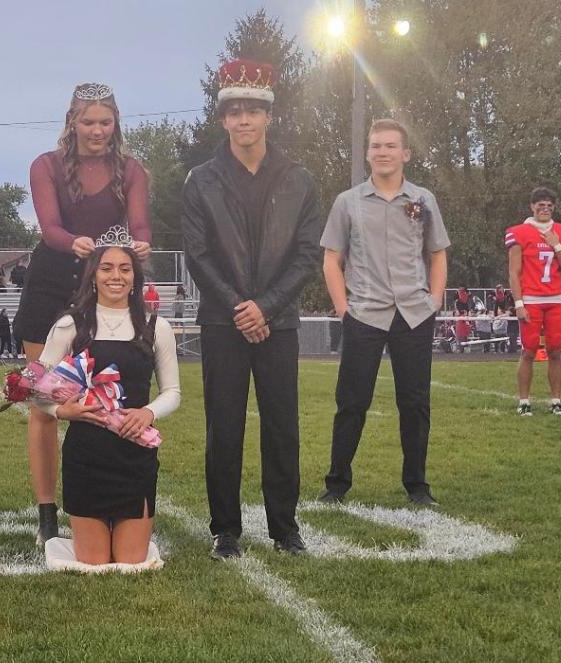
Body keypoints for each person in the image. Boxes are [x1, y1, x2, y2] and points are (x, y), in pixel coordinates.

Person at [182, 59, 323, 559]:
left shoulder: (300, 179)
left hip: (278, 321)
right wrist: (240, 307)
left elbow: (307, 254)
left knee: (282, 423)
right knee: (224, 425)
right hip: (223, 322)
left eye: (253, 111)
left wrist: (265, 307)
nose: (243, 120)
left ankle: (285, 527)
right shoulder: (200, 180)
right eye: (234, 111)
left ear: (269, 116)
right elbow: (198, 255)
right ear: (222, 119)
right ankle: (226, 530)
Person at [12, 82, 152, 547]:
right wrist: (72, 242)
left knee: (104, 397)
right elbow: (50, 227)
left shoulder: (132, 170)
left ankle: (102, 500)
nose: (97, 130)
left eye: (105, 122)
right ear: (71, 122)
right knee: (45, 404)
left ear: (116, 124)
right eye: (88, 121)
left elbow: (139, 225)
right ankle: (47, 510)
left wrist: (141, 243)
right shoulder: (45, 165)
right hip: (51, 287)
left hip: (102, 290)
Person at [320, 118, 450, 507]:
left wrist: (435, 299)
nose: (382, 152)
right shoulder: (348, 202)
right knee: (352, 402)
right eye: (376, 146)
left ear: (405, 153)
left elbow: (438, 252)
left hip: (413, 313)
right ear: (368, 153)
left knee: (414, 402)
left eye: (390, 146)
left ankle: (417, 486)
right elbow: (331, 259)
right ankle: (337, 484)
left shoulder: (424, 199)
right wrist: (344, 309)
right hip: (364, 314)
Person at [37, 245, 179, 564]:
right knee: (95, 563)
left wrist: (148, 412)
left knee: (130, 563)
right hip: (86, 457)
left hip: (134, 456)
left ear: (135, 277)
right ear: (93, 276)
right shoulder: (69, 325)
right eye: (107, 268)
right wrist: (62, 411)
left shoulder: (156, 326)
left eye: (125, 269)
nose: (116, 276)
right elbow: (36, 387)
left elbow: (173, 391)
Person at [505, 187, 561, 415]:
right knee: (528, 350)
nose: (544, 208)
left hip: (557, 298)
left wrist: (556, 244)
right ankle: (524, 401)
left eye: (549, 204)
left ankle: (556, 401)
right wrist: (519, 304)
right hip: (531, 298)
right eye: (540, 204)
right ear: (532, 206)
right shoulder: (519, 232)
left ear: (554, 207)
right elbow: (514, 272)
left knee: (555, 350)